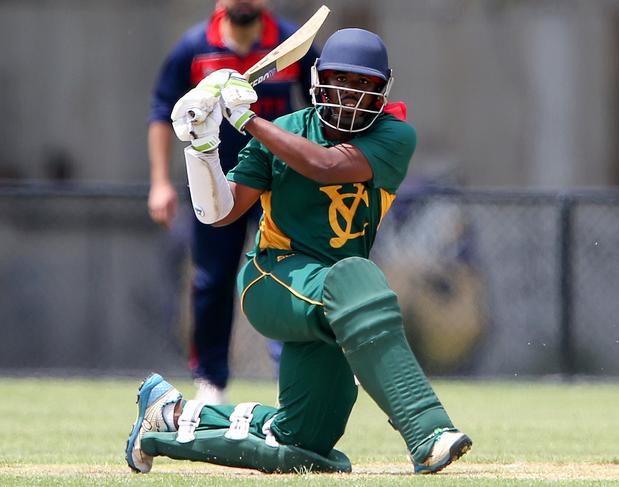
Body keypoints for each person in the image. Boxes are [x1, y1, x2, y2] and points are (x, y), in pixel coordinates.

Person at [127, 28, 472, 475]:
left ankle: (167, 417)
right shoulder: (284, 130)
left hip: (336, 302)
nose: (350, 95)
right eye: (341, 80)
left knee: (304, 445)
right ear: (319, 80)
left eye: (364, 85)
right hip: (274, 280)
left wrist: (248, 120)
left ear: (382, 90)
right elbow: (220, 213)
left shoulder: (394, 135)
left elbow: (326, 165)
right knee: (357, 276)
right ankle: (427, 432)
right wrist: (203, 147)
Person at [147, 0, 318, 403]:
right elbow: (161, 111)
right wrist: (159, 182)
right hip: (215, 184)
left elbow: (319, 108)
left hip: (276, 184)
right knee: (212, 280)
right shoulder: (194, 47)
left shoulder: (290, 46)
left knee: (286, 275)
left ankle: (289, 375)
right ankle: (211, 381)